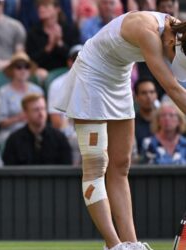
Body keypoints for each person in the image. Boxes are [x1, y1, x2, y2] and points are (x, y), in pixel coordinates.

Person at [53, 11, 186, 250]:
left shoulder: (178, 32)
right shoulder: (148, 33)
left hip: (119, 78)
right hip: (92, 75)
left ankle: (130, 244)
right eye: (174, 56)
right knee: (95, 166)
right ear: (169, 42)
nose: (171, 60)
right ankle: (114, 246)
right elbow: (172, 88)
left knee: (121, 165)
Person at [3, 94, 72, 165]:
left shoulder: (59, 138)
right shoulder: (14, 140)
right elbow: (9, 170)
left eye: (43, 108)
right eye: (36, 110)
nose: (41, 113)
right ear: (25, 113)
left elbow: (67, 167)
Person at [0, 51, 44, 147]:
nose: (23, 70)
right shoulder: (2, 93)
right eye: (18, 67)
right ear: (12, 70)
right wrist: (20, 118)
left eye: (26, 67)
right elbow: (1, 122)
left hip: (35, 130)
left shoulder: (37, 90)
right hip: (11, 131)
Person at [47, 45, 83, 165]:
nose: (79, 63)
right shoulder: (57, 84)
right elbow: (56, 121)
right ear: (69, 62)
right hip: (66, 133)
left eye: (82, 60)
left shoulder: (96, 83)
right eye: (75, 60)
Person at [26, 0, 80, 71]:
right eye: (39, 6)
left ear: (57, 8)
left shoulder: (70, 30)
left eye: (45, 6)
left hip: (67, 71)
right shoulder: (33, 33)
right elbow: (31, 61)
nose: (40, 9)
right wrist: (49, 46)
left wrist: (60, 43)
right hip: (43, 73)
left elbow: (76, 56)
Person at [133, 78, 159, 155]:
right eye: (144, 93)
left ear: (156, 95)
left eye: (152, 92)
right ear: (136, 97)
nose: (148, 96)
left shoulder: (166, 119)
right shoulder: (132, 124)